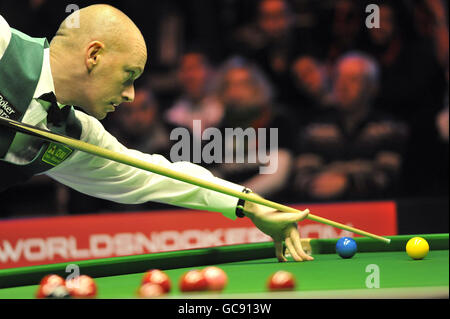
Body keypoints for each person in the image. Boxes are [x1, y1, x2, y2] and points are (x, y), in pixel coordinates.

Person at [0, 5, 312, 262]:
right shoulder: (4, 46)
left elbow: (155, 175)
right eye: (128, 75)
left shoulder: (76, 135)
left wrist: (250, 203)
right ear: (94, 55)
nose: (131, 95)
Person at [292, 52, 408, 201]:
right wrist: (315, 185)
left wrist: (347, 184)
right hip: (324, 211)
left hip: (374, 212)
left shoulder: (391, 129)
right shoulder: (315, 129)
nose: (343, 86)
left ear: (372, 87)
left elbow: (388, 179)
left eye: (353, 79)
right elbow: (300, 177)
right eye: (338, 78)